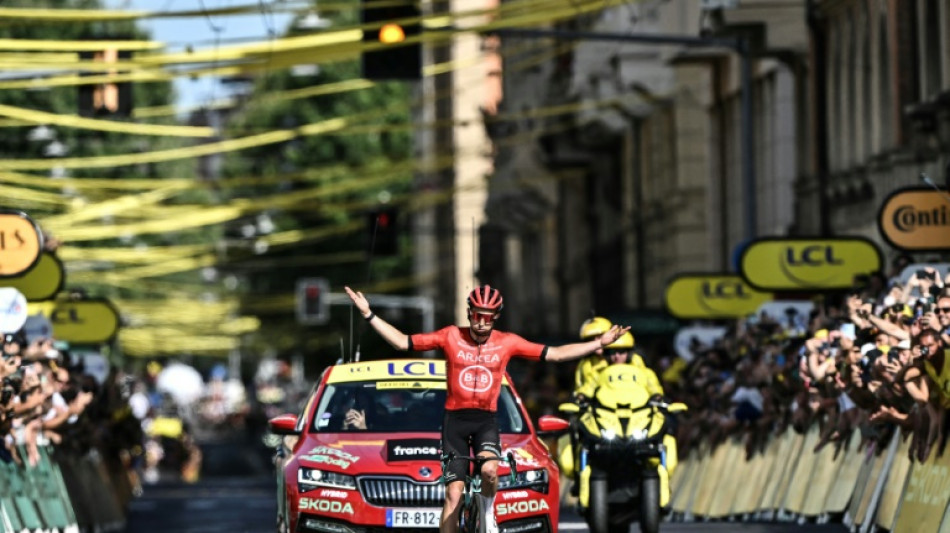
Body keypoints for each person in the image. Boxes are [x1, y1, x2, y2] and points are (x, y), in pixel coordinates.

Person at [344, 284, 628, 533]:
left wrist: (598, 344)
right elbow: (402, 341)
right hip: (455, 421)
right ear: (469, 313)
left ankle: (488, 507)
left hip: (486, 420)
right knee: (453, 496)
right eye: (477, 315)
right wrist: (369, 314)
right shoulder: (451, 336)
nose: (481, 323)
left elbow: (554, 354)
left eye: (488, 318)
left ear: (496, 318)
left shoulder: (507, 342)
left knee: (490, 471)